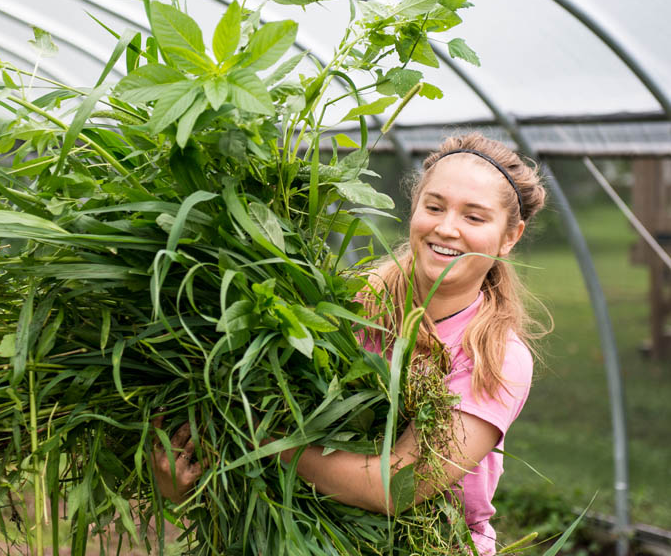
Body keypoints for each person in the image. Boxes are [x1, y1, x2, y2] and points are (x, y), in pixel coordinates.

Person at [151, 132, 548, 556]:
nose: (446, 228)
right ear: (415, 209)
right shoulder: (348, 304)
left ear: (511, 235)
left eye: (474, 218)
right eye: (434, 207)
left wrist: (254, 438)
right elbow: (256, 476)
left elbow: (396, 487)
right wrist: (181, 483)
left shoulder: (495, 356)